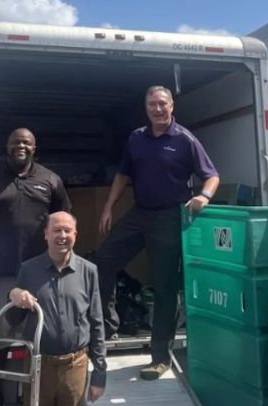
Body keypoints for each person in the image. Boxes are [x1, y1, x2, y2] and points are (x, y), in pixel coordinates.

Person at [93, 85, 219, 380]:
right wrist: (109, 206)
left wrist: (205, 197)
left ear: (172, 106)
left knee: (164, 288)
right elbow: (124, 174)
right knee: (103, 261)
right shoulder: (137, 138)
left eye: (163, 104)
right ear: (146, 108)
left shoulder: (185, 139)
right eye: (152, 105)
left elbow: (211, 175)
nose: (158, 109)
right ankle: (108, 324)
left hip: (169, 218)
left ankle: (159, 357)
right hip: (139, 213)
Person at [0, 127, 71, 406]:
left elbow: (64, 220)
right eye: (15, 142)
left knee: (38, 337)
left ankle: (36, 396)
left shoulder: (50, 180)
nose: (20, 146)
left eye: (26, 143)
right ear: (7, 146)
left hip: (41, 273)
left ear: (34, 148)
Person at [8, 211, 107, 406]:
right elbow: (14, 321)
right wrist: (14, 295)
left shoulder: (89, 271)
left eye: (67, 231)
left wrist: (100, 373)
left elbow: (96, 322)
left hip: (75, 366)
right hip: (38, 367)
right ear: (46, 234)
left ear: (75, 235)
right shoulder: (28, 270)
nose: (62, 236)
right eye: (56, 230)